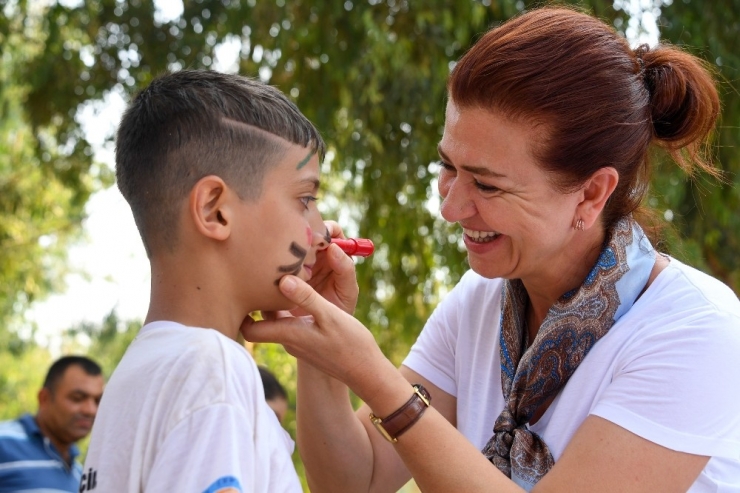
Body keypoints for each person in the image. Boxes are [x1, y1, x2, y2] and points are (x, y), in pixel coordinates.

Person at [243, 6, 740, 492]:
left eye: (487, 185)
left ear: (590, 194)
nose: (451, 208)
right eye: (447, 168)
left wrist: (376, 377)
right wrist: (317, 338)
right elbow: (356, 480)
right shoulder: (479, 302)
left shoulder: (695, 329)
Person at [82, 70, 356, 492]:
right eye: (305, 200)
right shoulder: (211, 368)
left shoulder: (136, 377)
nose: (321, 233)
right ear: (215, 211)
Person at [0, 355, 104, 492]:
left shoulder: (80, 474)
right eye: (78, 398)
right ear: (44, 398)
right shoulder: (4, 443)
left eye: (97, 401)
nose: (91, 410)